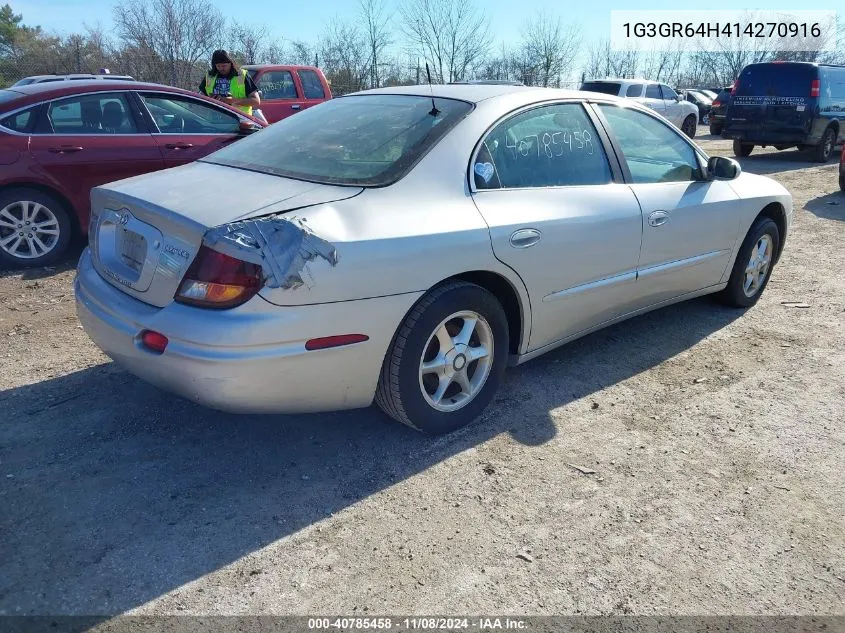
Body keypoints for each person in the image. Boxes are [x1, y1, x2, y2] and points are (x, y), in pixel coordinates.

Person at [199, 49, 260, 116]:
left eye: (224, 66)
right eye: (218, 66)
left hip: (239, 120)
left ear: (231, 63)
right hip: (213, 120)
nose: (221, 68)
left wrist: (233, 101)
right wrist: (210, 100)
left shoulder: (241, 75)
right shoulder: (210, 76)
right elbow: (200, 97)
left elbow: (256, 100)